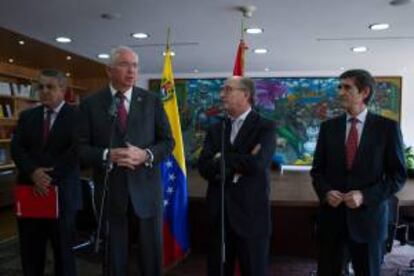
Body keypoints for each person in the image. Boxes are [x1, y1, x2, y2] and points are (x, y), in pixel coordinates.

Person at [78, 46, 173, 276]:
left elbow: (168, 142)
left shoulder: (151, 101)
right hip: (111, 192)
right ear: (109, 70)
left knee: (150, 258)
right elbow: (79, 148)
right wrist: (106, 155)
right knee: (113, 258)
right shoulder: (91, 104)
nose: (131, 71)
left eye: (135, 65)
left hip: (147, 191)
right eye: (124, 64)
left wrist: (145, 155)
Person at [311, 69, 407, 276]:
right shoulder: (328, 128)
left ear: (364, 92)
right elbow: (317, 171)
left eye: (347, 87)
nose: (341, 92)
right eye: (340, 87)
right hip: (332, 220)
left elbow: (397, 176)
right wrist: (326, 192)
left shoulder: (387, 129)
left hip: (369, 221)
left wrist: (364, 196)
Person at [198, 76, 276, 276]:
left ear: (246, 94)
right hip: (219, 215)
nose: (222, 94)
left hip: (251, 215)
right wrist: (240, 161)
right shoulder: (216, 128)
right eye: (223, 89)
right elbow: (204, 167)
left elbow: (258, 164)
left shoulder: (265, 126)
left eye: (228, 89)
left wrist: (221, 158)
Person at [11, 69, 81, 276]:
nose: (44, 91)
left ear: (63, 89)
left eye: (50, 87)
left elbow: (77, 151)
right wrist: (33, 172)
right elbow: (17, 148)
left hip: (62, 195)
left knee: (63, 254)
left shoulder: (78, 117)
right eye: (40, 87)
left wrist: (48, 177)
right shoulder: (27, 116)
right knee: (31, 252)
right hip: (30, 192)